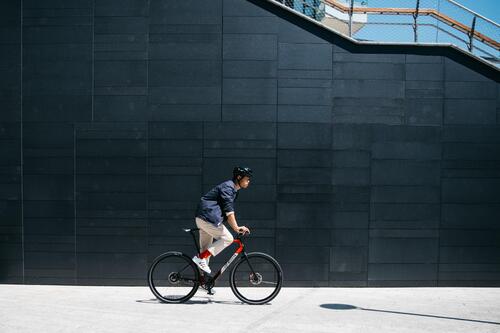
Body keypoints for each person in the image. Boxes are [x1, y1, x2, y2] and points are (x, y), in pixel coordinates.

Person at [192, 166, 252, 274]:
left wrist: (236, 227)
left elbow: (227, 213)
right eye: (247, 178)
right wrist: (237, 228)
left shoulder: (233, 190)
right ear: (239, 177)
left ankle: (202, 281)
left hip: (204, 218)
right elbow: (229, 212)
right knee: (228, 238)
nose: (249, 181)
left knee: (205, 250)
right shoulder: (228, 188)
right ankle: (200, 258)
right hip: (207, 218)